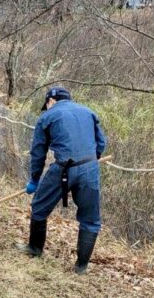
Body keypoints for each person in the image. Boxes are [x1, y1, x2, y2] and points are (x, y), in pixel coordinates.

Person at [17, 86, 107, 274]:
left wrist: (34, 180)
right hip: (90, 168)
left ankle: (35, 248)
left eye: (46, 104)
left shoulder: (46, 117)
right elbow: (101, 143)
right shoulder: (88, 112)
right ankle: (81, 267)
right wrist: (91, 160)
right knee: (91, 219)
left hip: (63, 168)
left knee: (39, 207)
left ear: (50, 101)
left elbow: (38, 152)